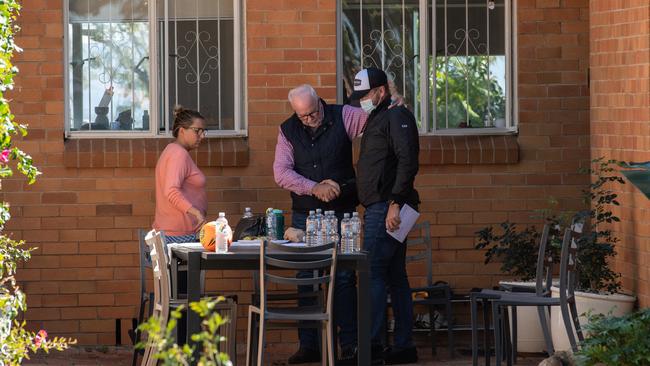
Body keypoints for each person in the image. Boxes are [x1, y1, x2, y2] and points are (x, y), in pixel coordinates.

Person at [273, 84, 368, 364]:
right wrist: (315, 187)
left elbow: (375, 128)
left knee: (344, 278)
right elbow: (281, 172)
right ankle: (309, 345)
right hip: (305, 214)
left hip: (342, 212)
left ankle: (349, 344)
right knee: (307, 277)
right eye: (302, 116)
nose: (309, 119)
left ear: (319, 104)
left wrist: (343, 184)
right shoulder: (288, 129)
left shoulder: (345, 116)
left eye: (312, 113)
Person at [350, 67, 420, 365]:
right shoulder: (379, 116)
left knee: (372, 273)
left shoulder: (395, 115)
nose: (362, 100)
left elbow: (408, 160)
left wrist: (394, 202)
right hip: (382, 207)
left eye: (366, 94)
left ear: (380, 91)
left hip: (390, 207)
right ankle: (403, 346)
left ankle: (371, 348)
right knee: (394, 275)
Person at [153, 106, 208, 244]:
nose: (202, 136)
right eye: (197, 131)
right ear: (182, 130)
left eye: (204, 131)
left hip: (172, 233)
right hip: (179, 235)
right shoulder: (178, 154)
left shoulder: (172, 151)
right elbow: (171, 191)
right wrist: (196, 213)